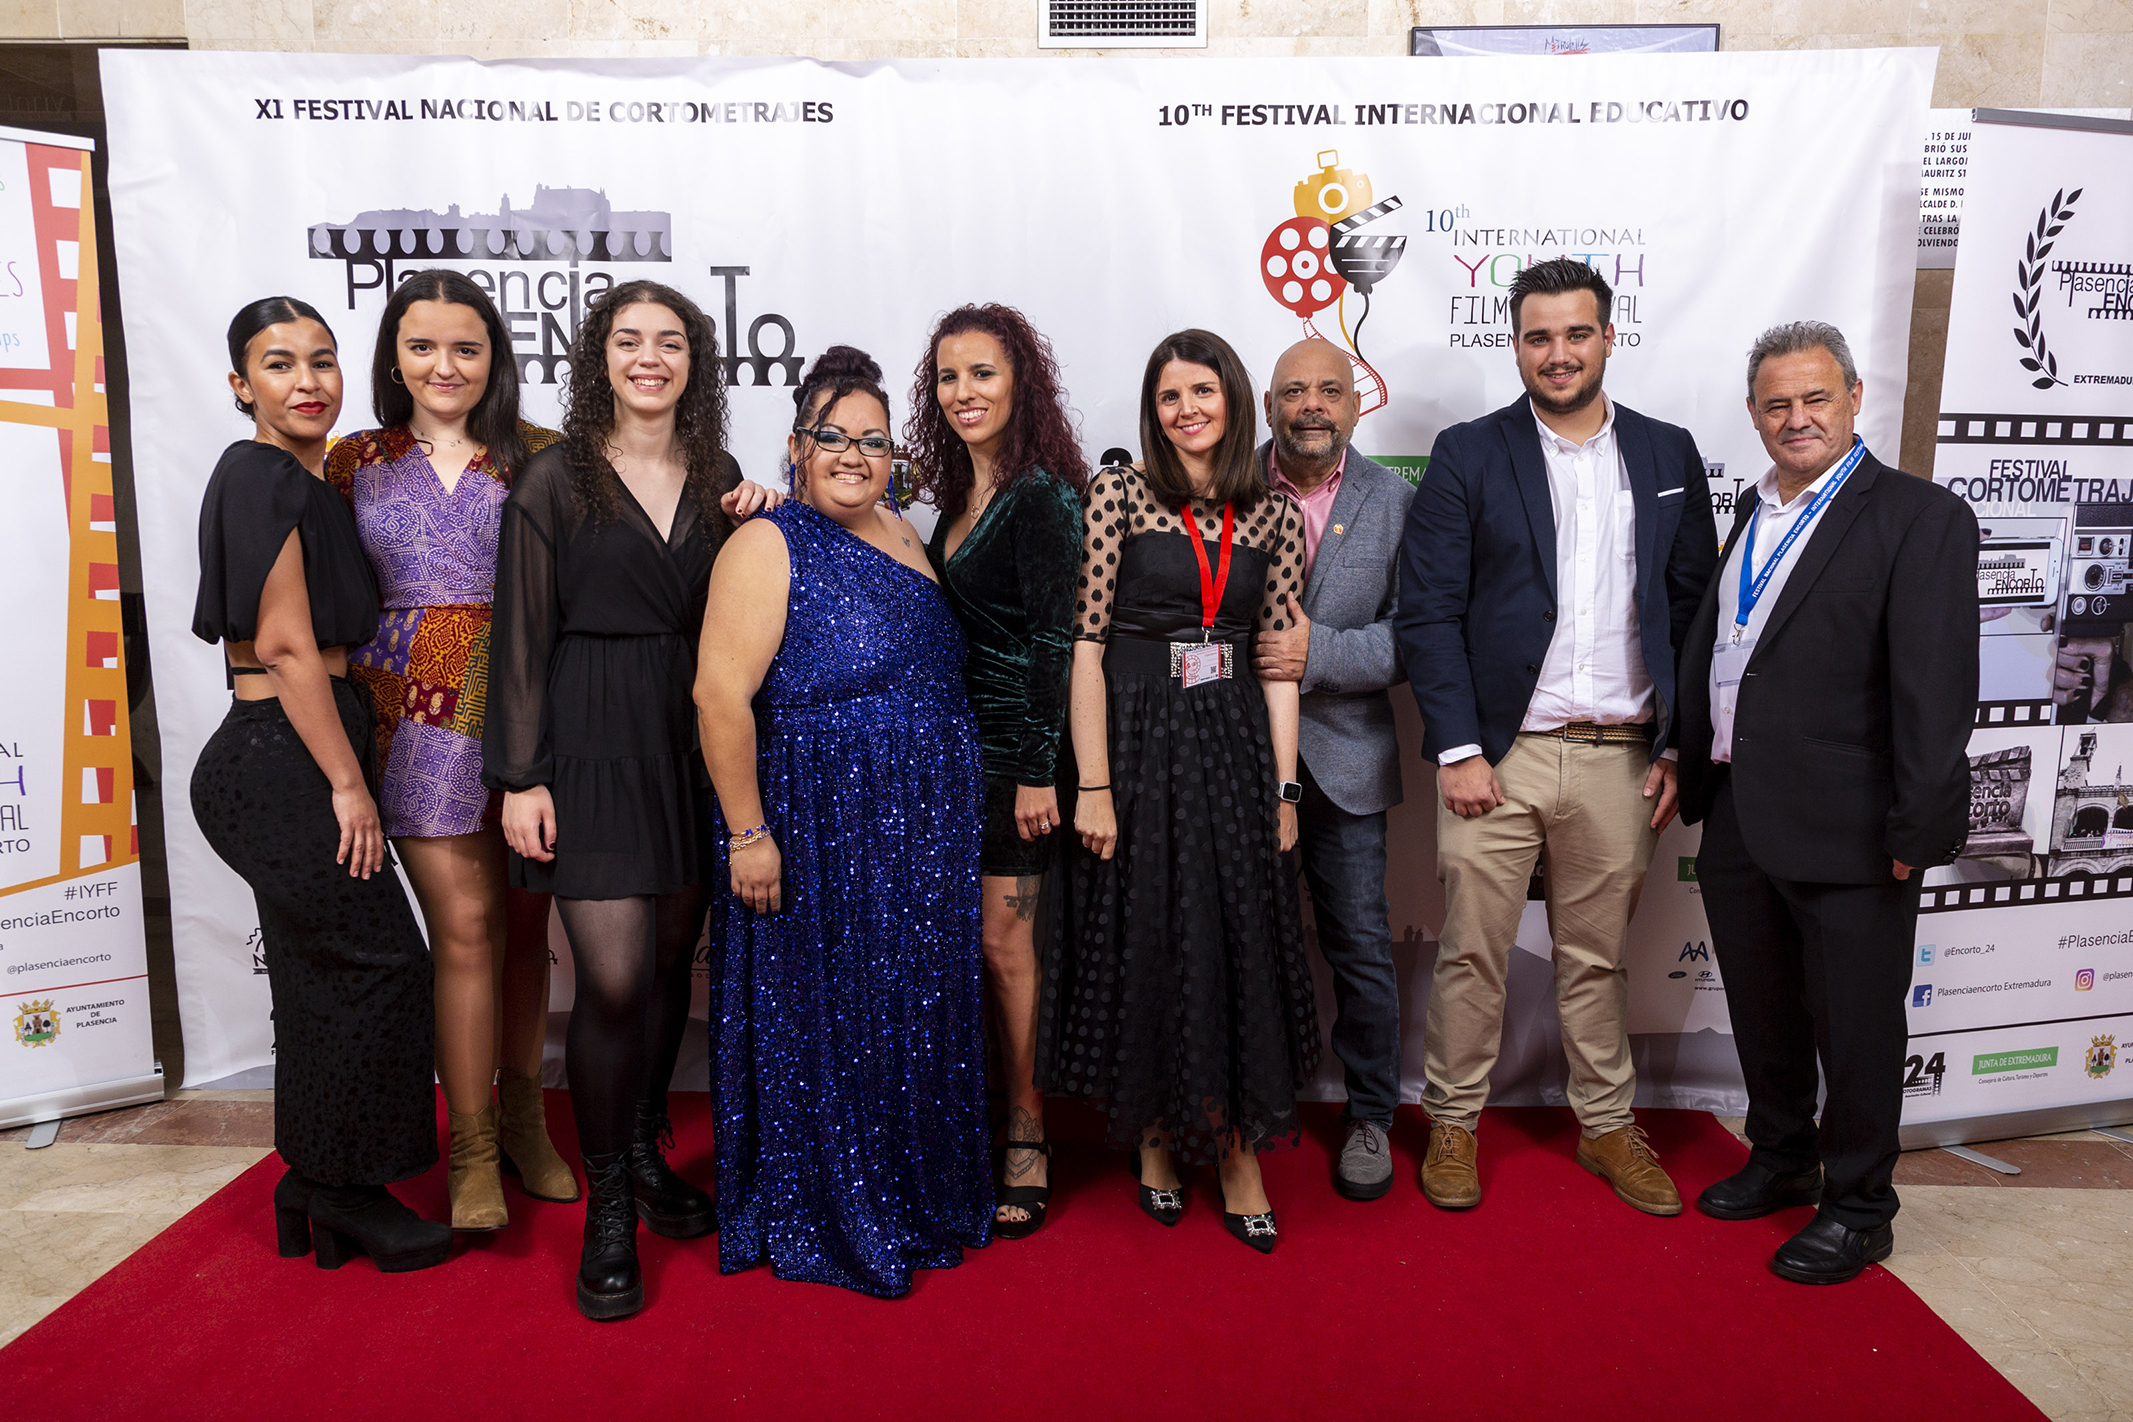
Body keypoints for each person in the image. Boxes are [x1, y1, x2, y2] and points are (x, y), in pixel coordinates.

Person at [1394, 258, 1717, 1215]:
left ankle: (1607, 1126)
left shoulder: (1666, 453)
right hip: (1500, 755)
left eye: (1576, 333)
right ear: (1516, 346)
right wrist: (1457, 748)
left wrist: (1676, 747)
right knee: (1471, 953)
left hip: (1622, 754)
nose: (1558, 352)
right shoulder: (1467, 452)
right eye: (1538, 336)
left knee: (1595, 959)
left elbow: (1691, 610)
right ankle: (1452, 1121)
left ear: (1607, 337)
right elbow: (1428, 612)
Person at [1678, 321, 1977, 1284]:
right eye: (1776, 403)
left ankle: (1857, 1208)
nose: (1795, 417)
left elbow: (1935, 688)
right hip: (1740, 808)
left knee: (1855, 1027)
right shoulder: (1752, 508)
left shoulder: (1918, 517)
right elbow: (1730, 648)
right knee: (1762, 1008)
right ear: (1753, 414)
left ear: (1853, 398)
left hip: (1855, 826)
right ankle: (1781, 1156)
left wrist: (1919, 826)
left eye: (1814, 398)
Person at [696, 346, 993, 1297]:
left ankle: (910, 1190)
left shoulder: (905, 530)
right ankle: (834, 1206)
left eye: (872, 439)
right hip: (822, 824)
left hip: (921, 828)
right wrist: (749, 834)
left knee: (908, 1012)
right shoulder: (766, 543)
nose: (853, 455)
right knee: (834, 1015)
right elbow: (717, 698)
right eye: (832, 436)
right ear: (794, 447)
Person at [484, 280, 739, 1320]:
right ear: (600, 358)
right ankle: (608, 1210)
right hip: (588, 741)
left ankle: (641, 1149)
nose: (649, 359)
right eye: (628, 341)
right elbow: (520, 637)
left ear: (694, 362)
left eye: (669, 342)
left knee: (674, 962)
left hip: (690, 740)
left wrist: (769, 515)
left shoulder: (719, 476)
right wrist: (520, 776)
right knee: (616, 979)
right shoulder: (555, 478)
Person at [1042, 328, 1320, 1254]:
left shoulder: (1274, 517)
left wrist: (1284, 789)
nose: (1186, 409)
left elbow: (1278, 666)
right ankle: (1156, 1136)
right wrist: (1092, 785)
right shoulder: (1119, 493)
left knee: (1235, 941)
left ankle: (1238, 1151)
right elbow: (1086, 646)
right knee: (1149, 935)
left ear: (1234, 401)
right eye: (1169, 396)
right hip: (1131, 738)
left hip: (1232, 743)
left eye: (1202, 391)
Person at [191, 296, 450, 1273]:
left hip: (294, 746)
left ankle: (312, 1179)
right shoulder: (259, 474)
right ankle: (347, 1189)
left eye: (322, 360)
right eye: (279, 363)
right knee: (386, 966)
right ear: (240, 385)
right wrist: (347, 784)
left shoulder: (308, 482)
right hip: (285, 755)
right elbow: (289, 647)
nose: (307, 382)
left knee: (317, 977)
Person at [326, 270, 575, 1230]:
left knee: (526, 927)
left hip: (528, 706)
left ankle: (525, 1125)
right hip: (412, 720)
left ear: (494, 358)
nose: (445, 365)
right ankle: (469, 1148)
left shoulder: (544, 453)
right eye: (422, 346)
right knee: (466, 927)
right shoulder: (353, 460)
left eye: (466, 348)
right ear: (394, 356)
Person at [907, 304, 1088, 1239]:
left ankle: (1026, 1131)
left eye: (982, 373)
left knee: (1007, 947)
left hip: (1017, 757)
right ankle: (969, 1116)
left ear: (1021, 382)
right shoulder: (955, 498)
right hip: (952, 754)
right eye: (948, 377)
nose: (963, 392)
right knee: (968, 947)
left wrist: (1036, 772)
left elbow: (1059, 640)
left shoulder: (1042, 495)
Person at [1249, 337, 1415, 1202]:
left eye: (1328, 390)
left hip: (1347, 761)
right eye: (1292, 391)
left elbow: (1415, 636)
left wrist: (1316, 654)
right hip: (1238, 761)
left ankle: (1371, 1115)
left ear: (1354, 404)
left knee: (1358, 946)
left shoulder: (1395, 501)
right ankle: (1248, 1102)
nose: (1310, 404)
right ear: (1268, 406)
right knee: (1243, 942)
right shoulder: (1223, 486)